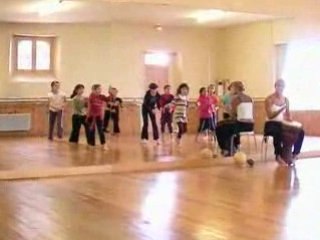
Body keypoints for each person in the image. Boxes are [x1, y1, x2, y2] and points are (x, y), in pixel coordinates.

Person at [265, 79, 304, 164]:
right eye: (278, 86)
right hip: (271, 124)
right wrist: (281, 109)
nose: (280, 88)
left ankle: (295, 154)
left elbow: (288, 114)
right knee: (277, 130)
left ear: (284, 87)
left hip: (282, 123)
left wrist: (290, 119)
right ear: (275, 86)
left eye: (282, 86)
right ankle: (278, 155)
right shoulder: (269, 99)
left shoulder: (286, 99)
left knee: (300, 131)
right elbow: (270, 115)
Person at [216, 81, 254, 156]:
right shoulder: (249, 98)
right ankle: (233, 147)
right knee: (226, 126)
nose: (231, 90)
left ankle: (226, 149)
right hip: (250, 125)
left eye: (232, 88)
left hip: (240, 125)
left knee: (219, 126)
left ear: (236, 88)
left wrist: (226, 108)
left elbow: (233, 115)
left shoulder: (236, 99)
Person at [87, 84, 110, 150]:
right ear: (94, 90)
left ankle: (103, 144)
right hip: (92, 116)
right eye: (98, 89)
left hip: (99, 116)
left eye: (100, 89)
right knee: (92, 130)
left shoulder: (101, 96)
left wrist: (110, 92)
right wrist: (88, 117)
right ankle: (92, 144)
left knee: (100, 130)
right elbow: (90, 106)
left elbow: (108, 99)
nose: (100, 90)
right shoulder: (91, 97)